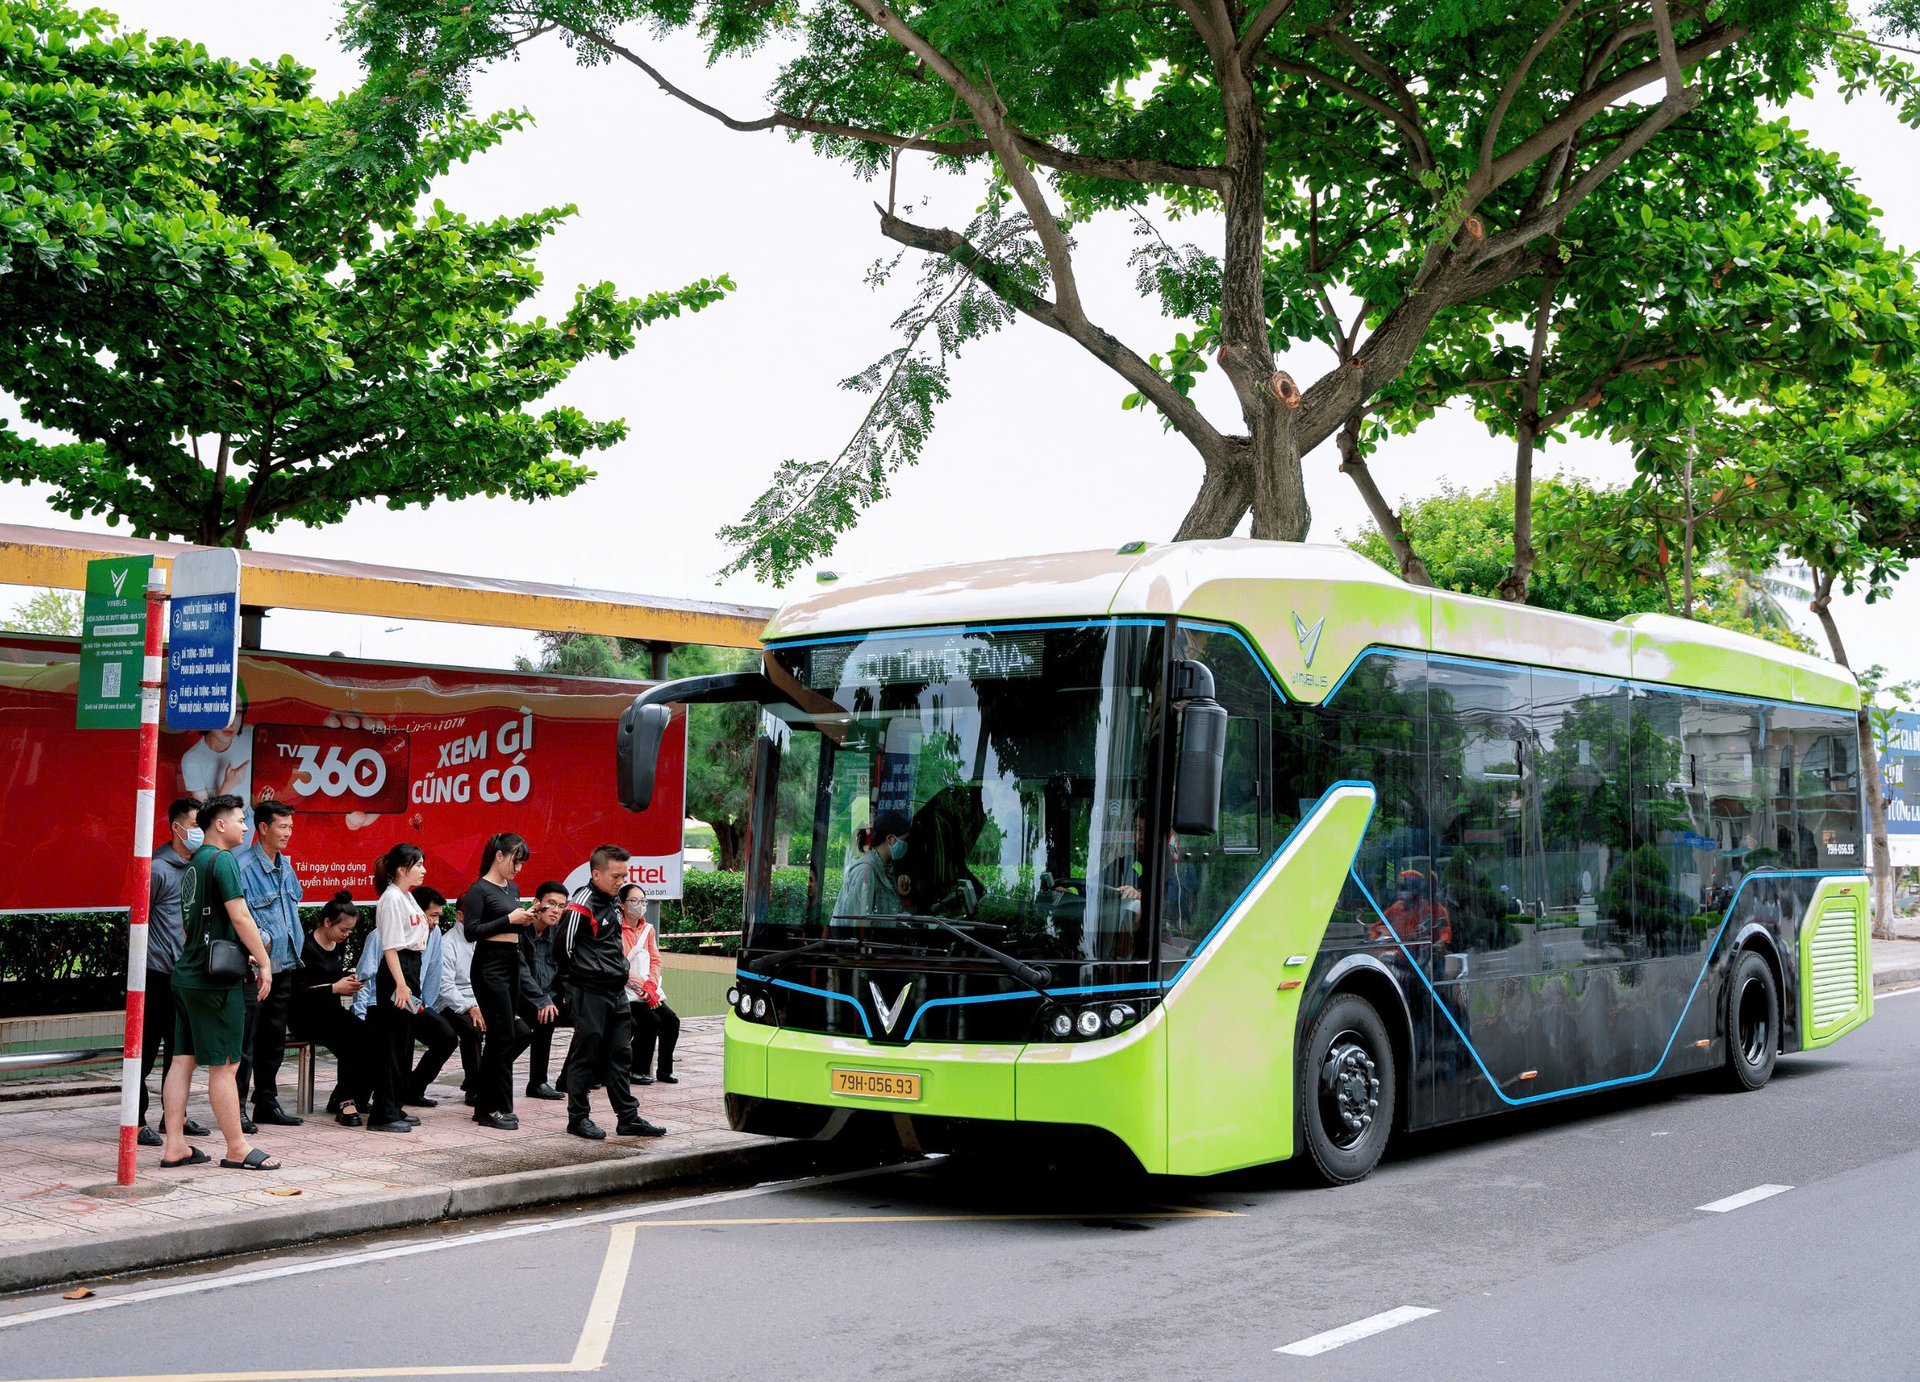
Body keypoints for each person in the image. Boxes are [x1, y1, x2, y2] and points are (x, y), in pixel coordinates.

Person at [159, 794, 279, 1171]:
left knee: (182, 1060)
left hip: (187, 975)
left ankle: (175, 1145)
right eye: (240, 820)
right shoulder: (223, 860)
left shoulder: (194, 862)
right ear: (220, 825)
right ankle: (237, 1148)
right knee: (225, 1065)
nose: (246, 826)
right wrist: (264, 962)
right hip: (215, 981)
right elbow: (241, 916)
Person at [558, 846, 660, 1140]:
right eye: (616, 876)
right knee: (586, 1055)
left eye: (624, 875)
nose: (621, 881)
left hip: (615, 990)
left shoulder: (614, 902)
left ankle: (628, 1118)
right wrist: (572, 987)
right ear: (596, 873)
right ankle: (577, 1118)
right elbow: (562, 949)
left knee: (620, 1054)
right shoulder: (581, 903)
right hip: (588, 991)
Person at [139, 798, 213, 1146]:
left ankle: (174, 1119)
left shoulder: (201, 867)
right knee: (144, 1051)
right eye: (195, 825)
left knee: (180, 1052)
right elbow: (137, 922)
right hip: (157, 975)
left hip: (187, 977)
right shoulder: (156, 869)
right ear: (177, 827)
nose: (199, 832)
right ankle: (135, 1118)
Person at [460, 833, 538, 1129]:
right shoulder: (479, 889)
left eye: (522, 864)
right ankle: (488, 1108)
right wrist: (510, 920)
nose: (518, 869)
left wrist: (527, 919)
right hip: (489, 965)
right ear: (499, 856)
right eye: (515, 862)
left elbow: (512, 924)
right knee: (500, 1034)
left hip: (510, 961)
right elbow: (472, 931)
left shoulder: (513, 888)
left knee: (506, 1035)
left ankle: (499, 1104)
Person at [237, 801, 306, 1128]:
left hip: (285, 963)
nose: (288, 833)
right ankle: (236, 1107)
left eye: (290, 828)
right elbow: (242, 918)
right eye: (282, 827)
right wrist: (262, 944)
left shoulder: (285, 865)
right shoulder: (244, 866)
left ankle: (266, 1100)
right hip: (255, 966)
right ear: (262, 827)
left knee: (274, 1037)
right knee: (247, 1039)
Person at [366, 843, 431, 1134]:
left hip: (410, 968)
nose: (423, 870)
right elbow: (390, 946)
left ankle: (394, 1106)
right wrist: (402, 985)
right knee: (391, 1045)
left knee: (404, 1045)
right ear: (403, 869)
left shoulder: (406, 896)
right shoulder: (391, 898)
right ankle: (382, 1113)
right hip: (398, 972)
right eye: (418, 865)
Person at [293, 892, 370, 1126]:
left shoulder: (335, 946)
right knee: (350, 1040)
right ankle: (345, 1101)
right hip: (306, 1015)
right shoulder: (305, 947)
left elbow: (333, 978)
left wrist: (350, 980)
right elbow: (297, 992)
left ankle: (347, 1095)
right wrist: (334, 988)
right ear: (327, 922)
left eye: (349, 931)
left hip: (332, 1013)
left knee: (370, 1035)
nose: (346, 935)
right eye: (343, 930)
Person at [400, 887, 461, 1108]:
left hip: (417, 1004)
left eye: (438, 916)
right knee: (400, 1047)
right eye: (432, 915)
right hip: (392, 1002)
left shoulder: (434, 934)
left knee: (446, 1036)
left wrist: (428, 1006)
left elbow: (434, 970)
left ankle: (413, 1088)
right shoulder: (395, 931)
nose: (436, 922)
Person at [618, 884, 679, 1089]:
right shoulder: (616, 930)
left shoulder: (648, 929)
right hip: (627, 992)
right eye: (634, 901)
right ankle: (637, 1070)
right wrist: (643, 990)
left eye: (643, 901)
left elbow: (656, 960)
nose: (640, 905)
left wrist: (651, 986)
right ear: (622, 904)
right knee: (649, 1020)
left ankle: (665, 1070)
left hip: (648, 990)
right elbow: (621, 966)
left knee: (671, 1021)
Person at [518, 881, 570, 1100]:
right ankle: (537, 1082)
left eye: (561, 905)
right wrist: (542, 1000)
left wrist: (567, 994)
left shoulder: (559, 931)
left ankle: (570, 1079)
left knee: (591, 1015)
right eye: (551, 903)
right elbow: (520, 972)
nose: (556, 910)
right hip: (520, 995)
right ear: (536, 903)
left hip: (549, 996)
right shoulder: (520, 929)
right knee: (544, 1019)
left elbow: (566, 967)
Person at [832, 810, 909, 924]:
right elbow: (857, 924)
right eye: (905, 840)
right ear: (890, 839)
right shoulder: (866, 871)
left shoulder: (885, 869)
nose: (906, 845)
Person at [1372, 869, 1452, 947]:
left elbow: (1445, 932)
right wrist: (1377, 940)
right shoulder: (1396, 908)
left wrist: (1440, 943)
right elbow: (1376, 928)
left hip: (1423, 955)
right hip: (1396, 955)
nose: (1403, 891)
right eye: (1401, 887)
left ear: (1418, 888)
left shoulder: (1432, 908)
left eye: (1406, 887)